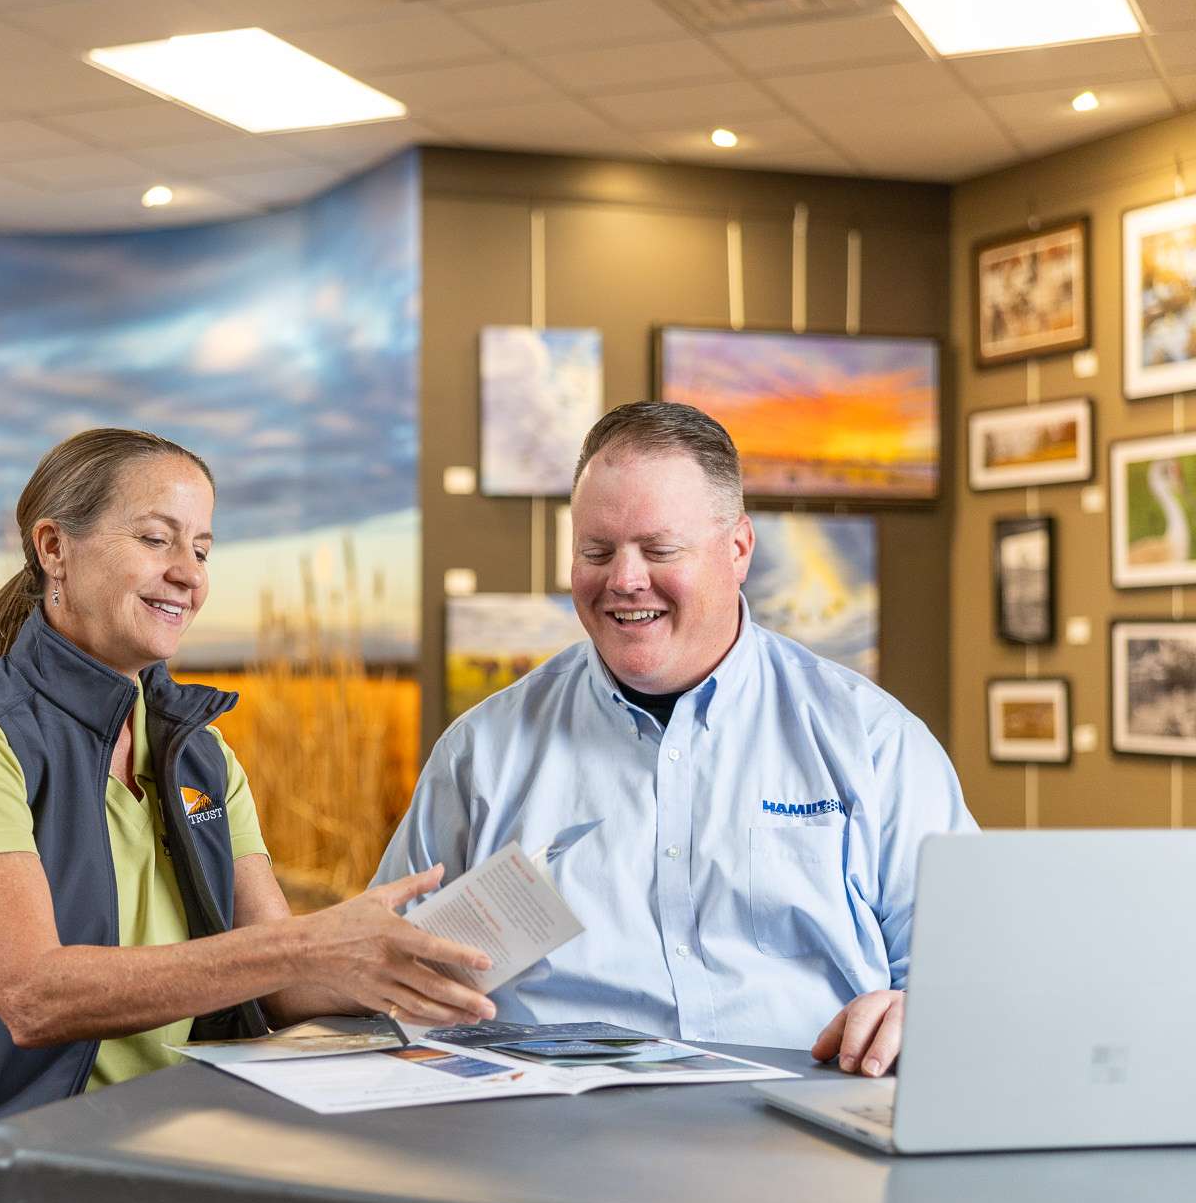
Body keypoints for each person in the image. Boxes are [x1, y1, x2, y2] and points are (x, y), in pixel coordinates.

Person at [0, 427, 490, 1203]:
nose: (189, 572)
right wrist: (306, 938)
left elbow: (281, 980)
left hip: (175, 1166)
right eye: (156, 537)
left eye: (203, 547)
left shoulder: (199, 754)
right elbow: (34, 994)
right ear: (55, 548)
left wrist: (408, 964)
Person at [376, 401, 976, 1082]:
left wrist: (920, 1011)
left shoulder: (872, 740)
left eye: (659, 550)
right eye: (596, 552)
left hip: (805, 1129)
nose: (624, 580)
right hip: (546, 1137)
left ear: (739, 549)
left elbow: (971, 974)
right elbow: (381, 974)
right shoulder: (481, 754)